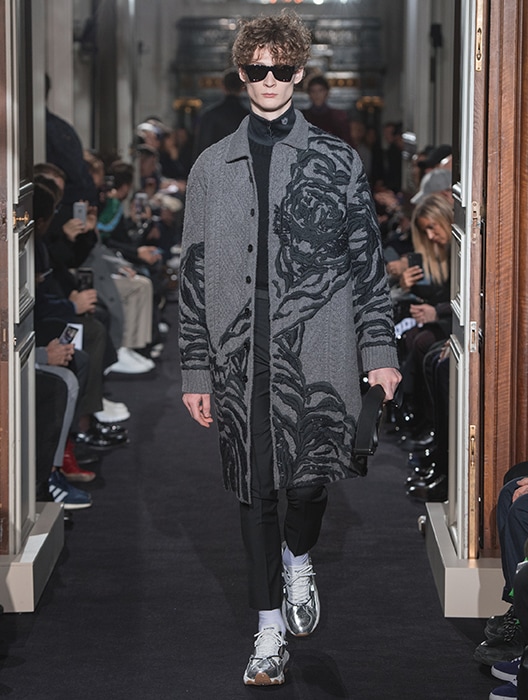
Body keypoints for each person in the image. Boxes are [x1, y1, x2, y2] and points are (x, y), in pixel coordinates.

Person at [178, 11, 401, 687]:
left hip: (320, 342)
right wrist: (195, 367)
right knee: (255, 490)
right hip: (237, 350)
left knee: (307, 479)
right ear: (242, 73)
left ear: (300, 72)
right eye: (257, 68)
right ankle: (268, 628)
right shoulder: (211, 167)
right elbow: (192, 272)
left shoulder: (337, 159)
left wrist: (379, 349)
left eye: (281, 69)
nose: (269, 79)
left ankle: (299, 559)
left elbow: (367, 260)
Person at [192, 70, 249, 161]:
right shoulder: (249, 117)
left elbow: (202, 149)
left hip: (214, 166)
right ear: (242, 88)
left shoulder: (209, 115)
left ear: (223, 87)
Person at [301, 74, 350, 143]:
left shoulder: (339, 117)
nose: (317, 95)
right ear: (309, 94)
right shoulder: (302, 117)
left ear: (327, 92)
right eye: (313, 91)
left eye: (320, 90)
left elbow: (347, 142)